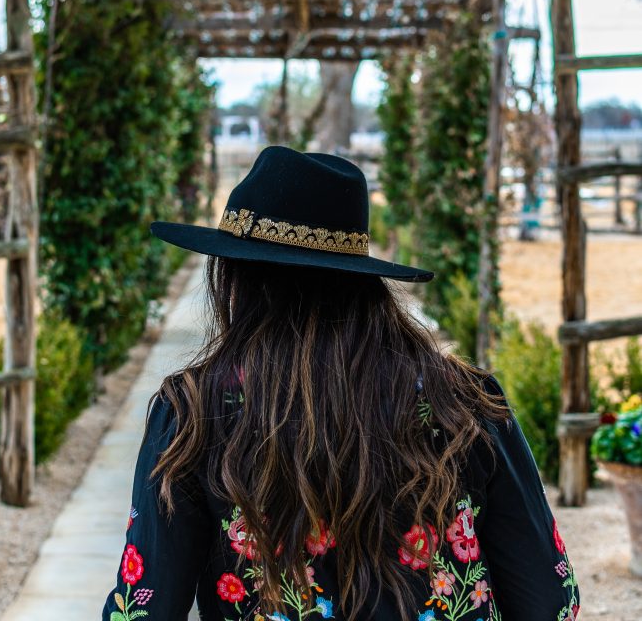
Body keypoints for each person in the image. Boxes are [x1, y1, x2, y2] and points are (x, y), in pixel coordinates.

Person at [101, 145, 580, 621]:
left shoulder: (193, 414)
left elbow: (144, 608)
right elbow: (550, 600)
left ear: (234, 277)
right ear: (361, 280)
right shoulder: (464, 403)